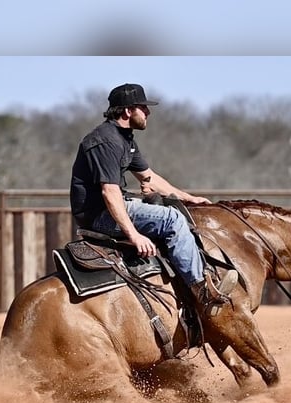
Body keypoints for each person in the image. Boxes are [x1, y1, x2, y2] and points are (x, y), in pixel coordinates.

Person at [69, 82, 238, 315]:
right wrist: (134, 235)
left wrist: (189, 198)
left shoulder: (124, 138)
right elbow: (110, 192)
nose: (148, 112)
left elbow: (149, 176)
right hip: (99, 216)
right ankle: (201, 291)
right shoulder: (106, 141)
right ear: (128, 111)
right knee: (171, 219)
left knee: (176, 208)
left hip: (112, 207)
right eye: (143, 108)